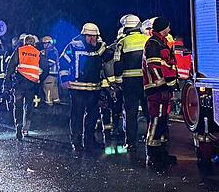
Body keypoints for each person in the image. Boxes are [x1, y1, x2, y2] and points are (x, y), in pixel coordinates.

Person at [58, 23, 111, 153]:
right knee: (77, 115)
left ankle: (90, 140)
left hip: (94, 88)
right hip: (77, 88)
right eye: (90, 36)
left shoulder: (99, 47)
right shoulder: (73, 46)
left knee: (92, 116)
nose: (93, 39)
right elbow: (63, 62)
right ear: (84, 35)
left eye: (95, 36)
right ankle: (76, 141)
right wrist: (64, 80)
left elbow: (108, 57)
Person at [142, 16, 178, 169]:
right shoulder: (153, 44)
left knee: (162, 121)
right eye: (168, 27)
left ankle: (161, 152)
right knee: (156, 120)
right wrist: (161, 86)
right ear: (163, 28)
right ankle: (152, 153)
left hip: (164, 90)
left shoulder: (160, 42)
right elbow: (154, 68)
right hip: (157, 90)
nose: (169, 30)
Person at [113, 14, 148, 151]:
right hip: (145, 82)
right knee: (148, 111)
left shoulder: (122, 42)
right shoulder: (147, 40)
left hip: (129, 83)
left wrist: (118, 82)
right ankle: (152, 139)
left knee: (130, 113)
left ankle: (131, 143)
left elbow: (117, 63)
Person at [5, 34, 46, 139]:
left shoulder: (19, 50)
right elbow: (46, 68)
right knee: (28, 106)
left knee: (18, 105)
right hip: (31, 85)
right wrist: (39, 78)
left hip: (19, 83)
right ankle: (26, 128)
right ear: (34, 43)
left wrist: (7, 83)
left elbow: (10, 68)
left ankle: (18, 124)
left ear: (24, 42)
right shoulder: (38, 53)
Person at [40, 36, 61, 109]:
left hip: (49, 74)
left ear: (49, 43)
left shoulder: (51, 52)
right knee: (54, 89)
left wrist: (42, 62)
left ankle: (48, 103)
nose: (44, 45)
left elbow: (49, 63)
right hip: (54, 75)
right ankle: (56, 101)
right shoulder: (54, 50)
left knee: (47, 89)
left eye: (45, 43)